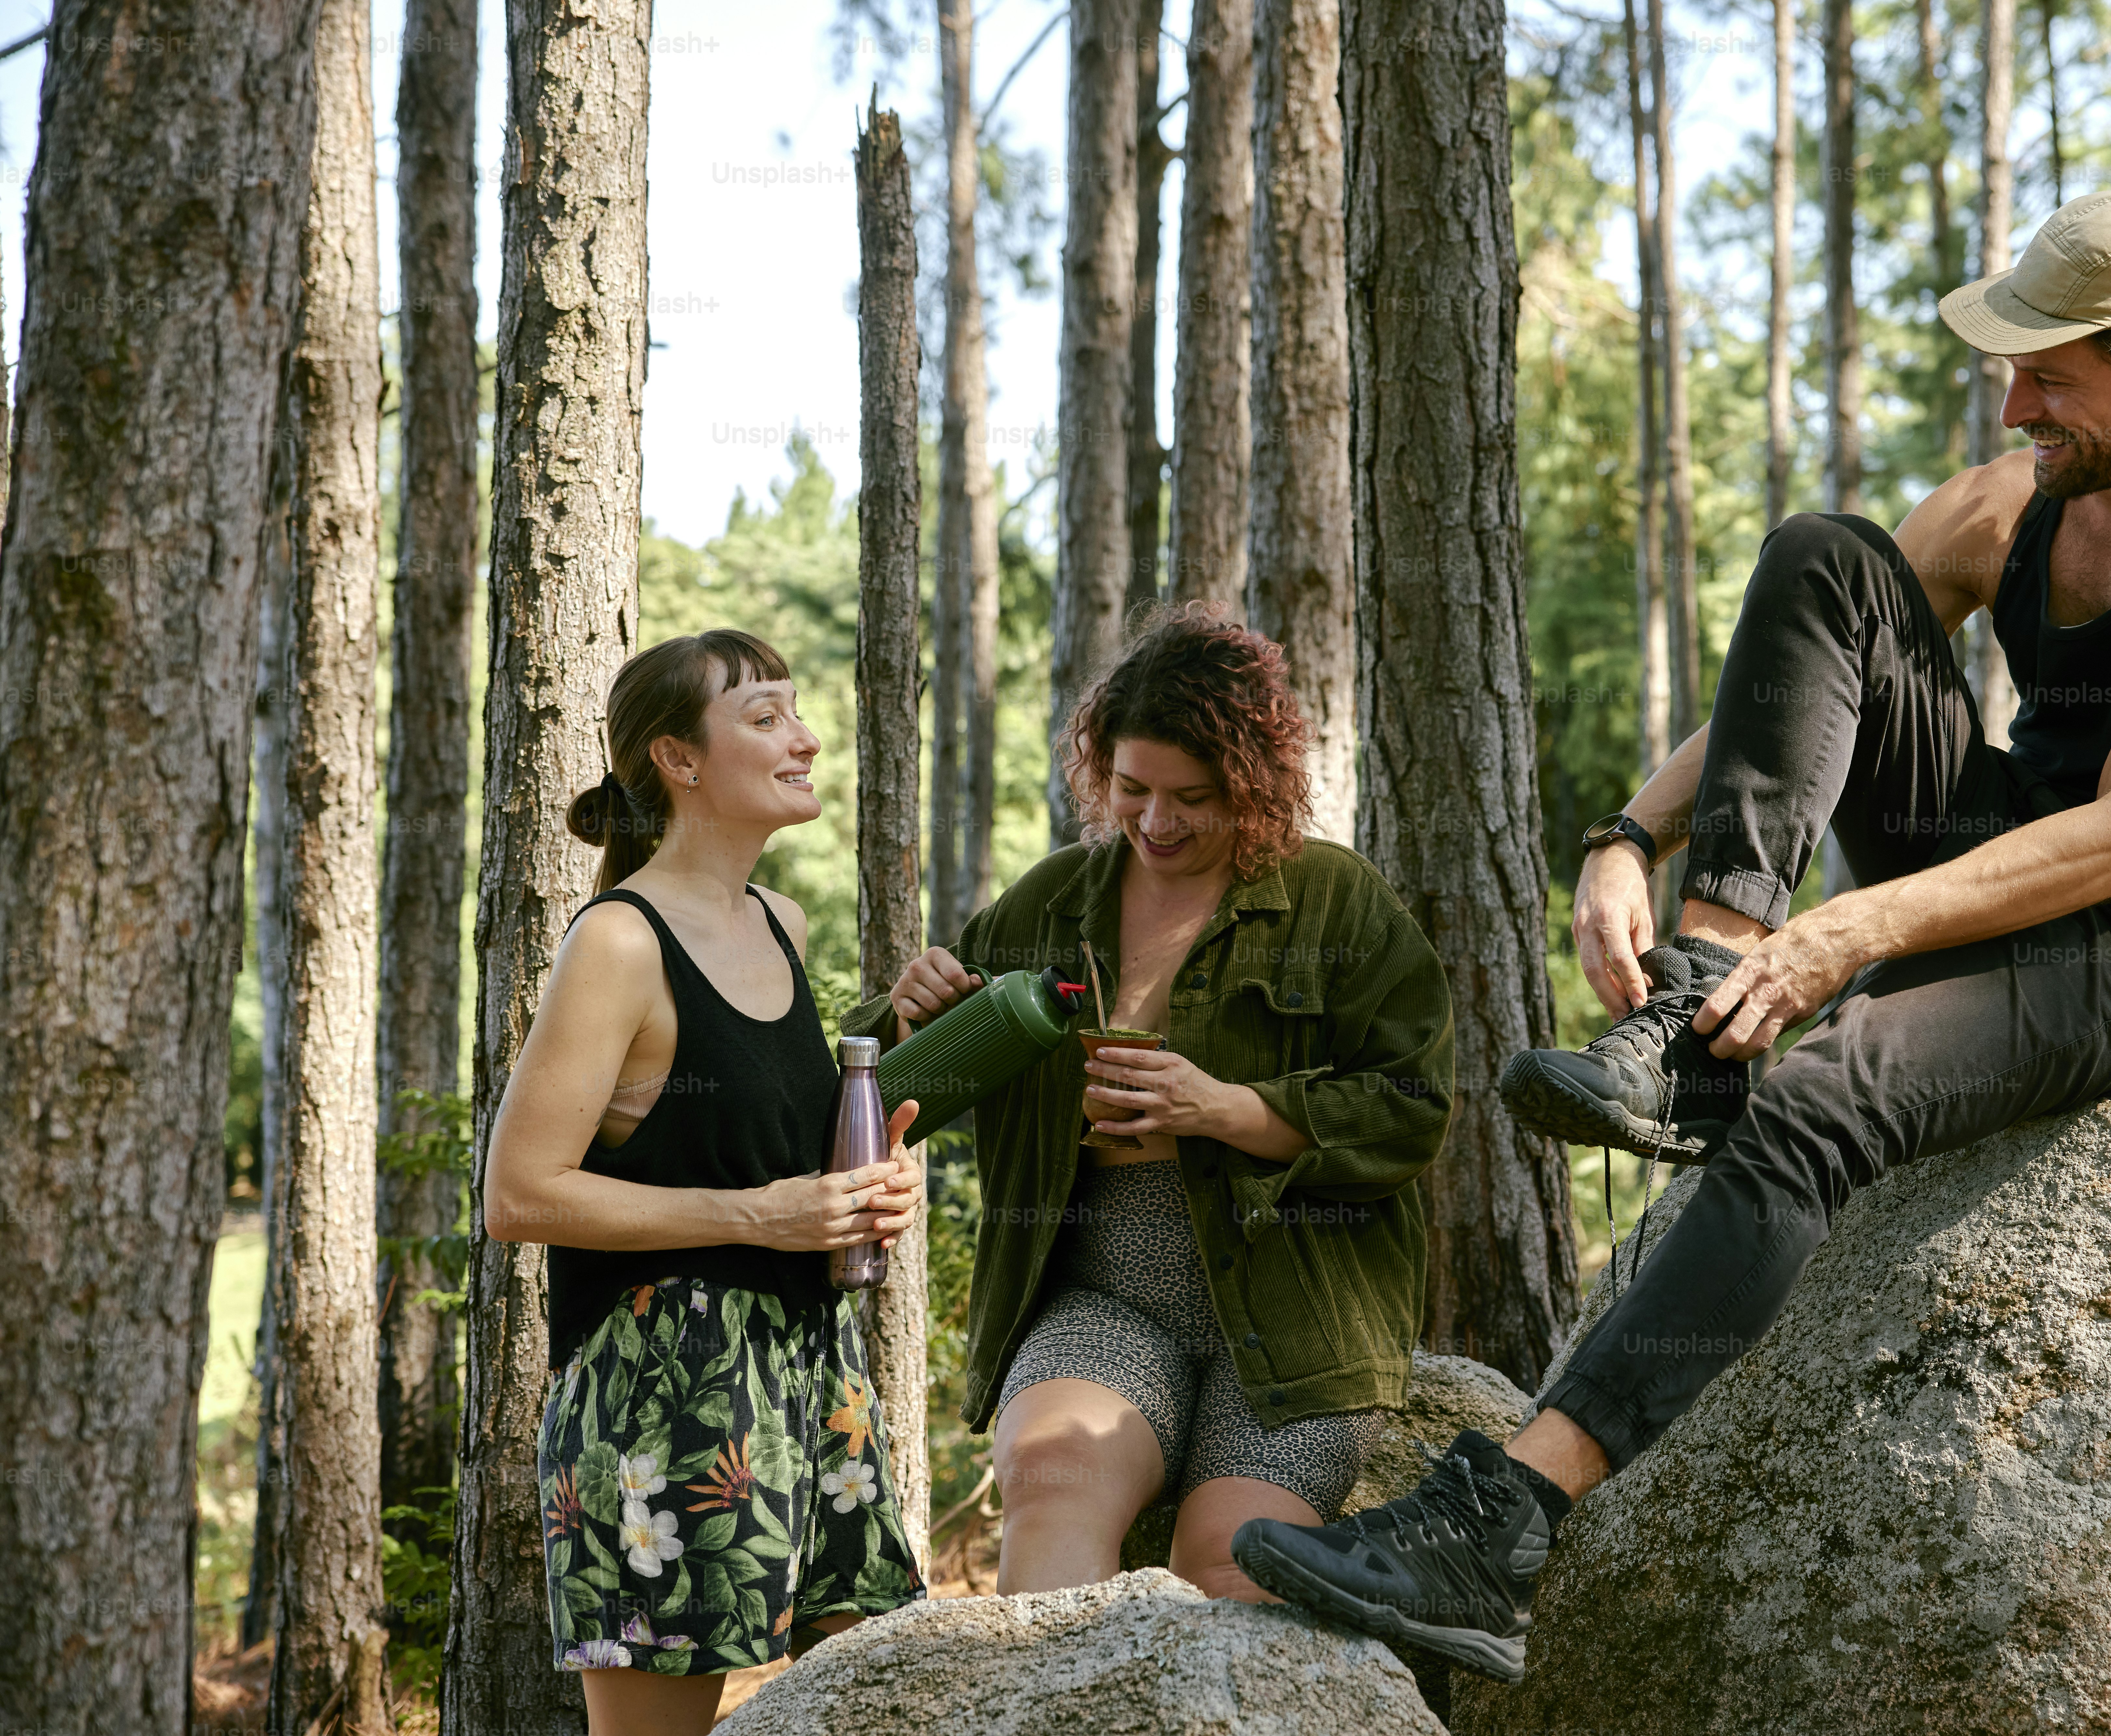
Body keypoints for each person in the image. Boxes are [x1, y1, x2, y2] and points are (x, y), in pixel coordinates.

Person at [1232, 189, 2111, 1681]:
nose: (2013, 398)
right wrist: (1628, 835)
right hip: (1986, 858)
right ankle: (1696, 1015)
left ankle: (1501, 1526)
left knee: (1817, 1096)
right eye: (2012, 366)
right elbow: (1806, 673)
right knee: (1824, 555)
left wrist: (1847, 935)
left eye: (2050, 371)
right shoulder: (2014, 501)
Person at [844, 603, 1454, 1601]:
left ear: (1254, 786)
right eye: (1134, 790)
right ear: (1101, 769)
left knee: (1230, 1556)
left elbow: (1412, 1106)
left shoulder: (1337, 901)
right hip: (1103, 1294)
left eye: (1195, 798)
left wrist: (1225, 1108)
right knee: (1051, 1487)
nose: (1159, 823)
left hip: (1299, 1305)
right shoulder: (1050, 902)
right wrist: (912, 1019)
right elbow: (891, 1095)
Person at [485, 630, 927, 1736]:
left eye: (797, 711)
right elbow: (521, 1193)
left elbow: (750, 1150)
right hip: (659, 1404)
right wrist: (759, 1217)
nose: (805, 738)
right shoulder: (621, 944)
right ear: (681, 761)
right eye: (766, 716)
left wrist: (862, 1190)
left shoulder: (782, 924)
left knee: (886, 1698)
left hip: (813, 1382)